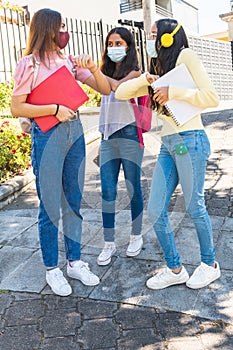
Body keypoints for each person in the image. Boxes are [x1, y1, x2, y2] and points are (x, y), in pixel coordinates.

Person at [10, 8, 111, 296]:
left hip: (75, 134)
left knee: (74, 201)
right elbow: (17, 107)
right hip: (48, 135)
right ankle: (52, 269)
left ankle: (75, 262)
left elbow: (104, 89)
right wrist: (54, 109)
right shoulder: (28, 64)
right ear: (48, 29)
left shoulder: (69, 62)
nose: (65, 32)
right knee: (50, 205)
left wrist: (92, 68)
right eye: (61, 26)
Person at [115, 18, 221, 289]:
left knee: (195, 206)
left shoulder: (186, 55)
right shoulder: (156, 68)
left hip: (190, 140)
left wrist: (173, 91)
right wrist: (145, 79)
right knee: (155, 210)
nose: (149, 40)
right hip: (168, 144)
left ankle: (209, 265)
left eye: (153, 35)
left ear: (165, 38)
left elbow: (211, 97)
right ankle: (175, 269)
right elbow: (120, 93)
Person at [88, 27, 144, 265]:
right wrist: (102, 139)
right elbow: (105, 109)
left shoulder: (136, 73)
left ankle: (136, 236)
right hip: (109, 138)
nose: (114, 47)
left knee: (133, 189)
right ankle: (109, 243)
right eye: (110, 43)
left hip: (130, 135)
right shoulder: (104, 71)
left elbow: (118, 90)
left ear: (129, 46)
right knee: (108, 193)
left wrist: (93, 74)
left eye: (119, 43)